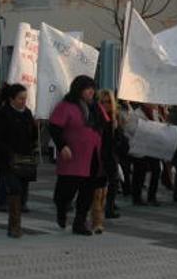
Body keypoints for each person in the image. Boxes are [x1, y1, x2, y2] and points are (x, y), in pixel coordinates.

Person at [48, 75, 109, 236]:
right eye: (87, 88)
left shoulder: (96, 107)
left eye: (92, 88)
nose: (91, 91)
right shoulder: (66, 106)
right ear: (78, 89)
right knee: (67, 189)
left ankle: (79, 222)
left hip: (93, 155)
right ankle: (61, 208)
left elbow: (106, 125)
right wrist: (62, 146)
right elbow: (54, 128)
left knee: (87, 190)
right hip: (73, 155)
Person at [0, 83, 37, 238]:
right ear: (11, 99)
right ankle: (14, 226)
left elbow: (32, 137)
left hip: (25, 158)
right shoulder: (3, 113)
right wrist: (7, 153)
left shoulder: (27, 113)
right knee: (14, 188)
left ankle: (17, 221)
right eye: (20, 98)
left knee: (23, 191)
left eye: (25, 98)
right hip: (8, 159)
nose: (23, 101)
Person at [89, 89, 121, 233]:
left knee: (112, 183)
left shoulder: (114, 118)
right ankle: (96, 219)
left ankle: (108, 209)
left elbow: (117, 141)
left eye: (109, 102)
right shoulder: (96, 118)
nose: (106, 105)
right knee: (98, 188)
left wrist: (118, 130)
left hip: (111, 156)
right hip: (98, 157)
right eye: (103, 102)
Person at [128, 103, 162, 206]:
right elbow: (130, 129)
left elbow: (158, 126)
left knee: (156, 170)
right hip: (140, 146)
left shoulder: (155, 113)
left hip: (153, 147)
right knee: (139, 172)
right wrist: (145, 128)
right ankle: (136, 197)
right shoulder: (135, 114)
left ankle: (152, 196)